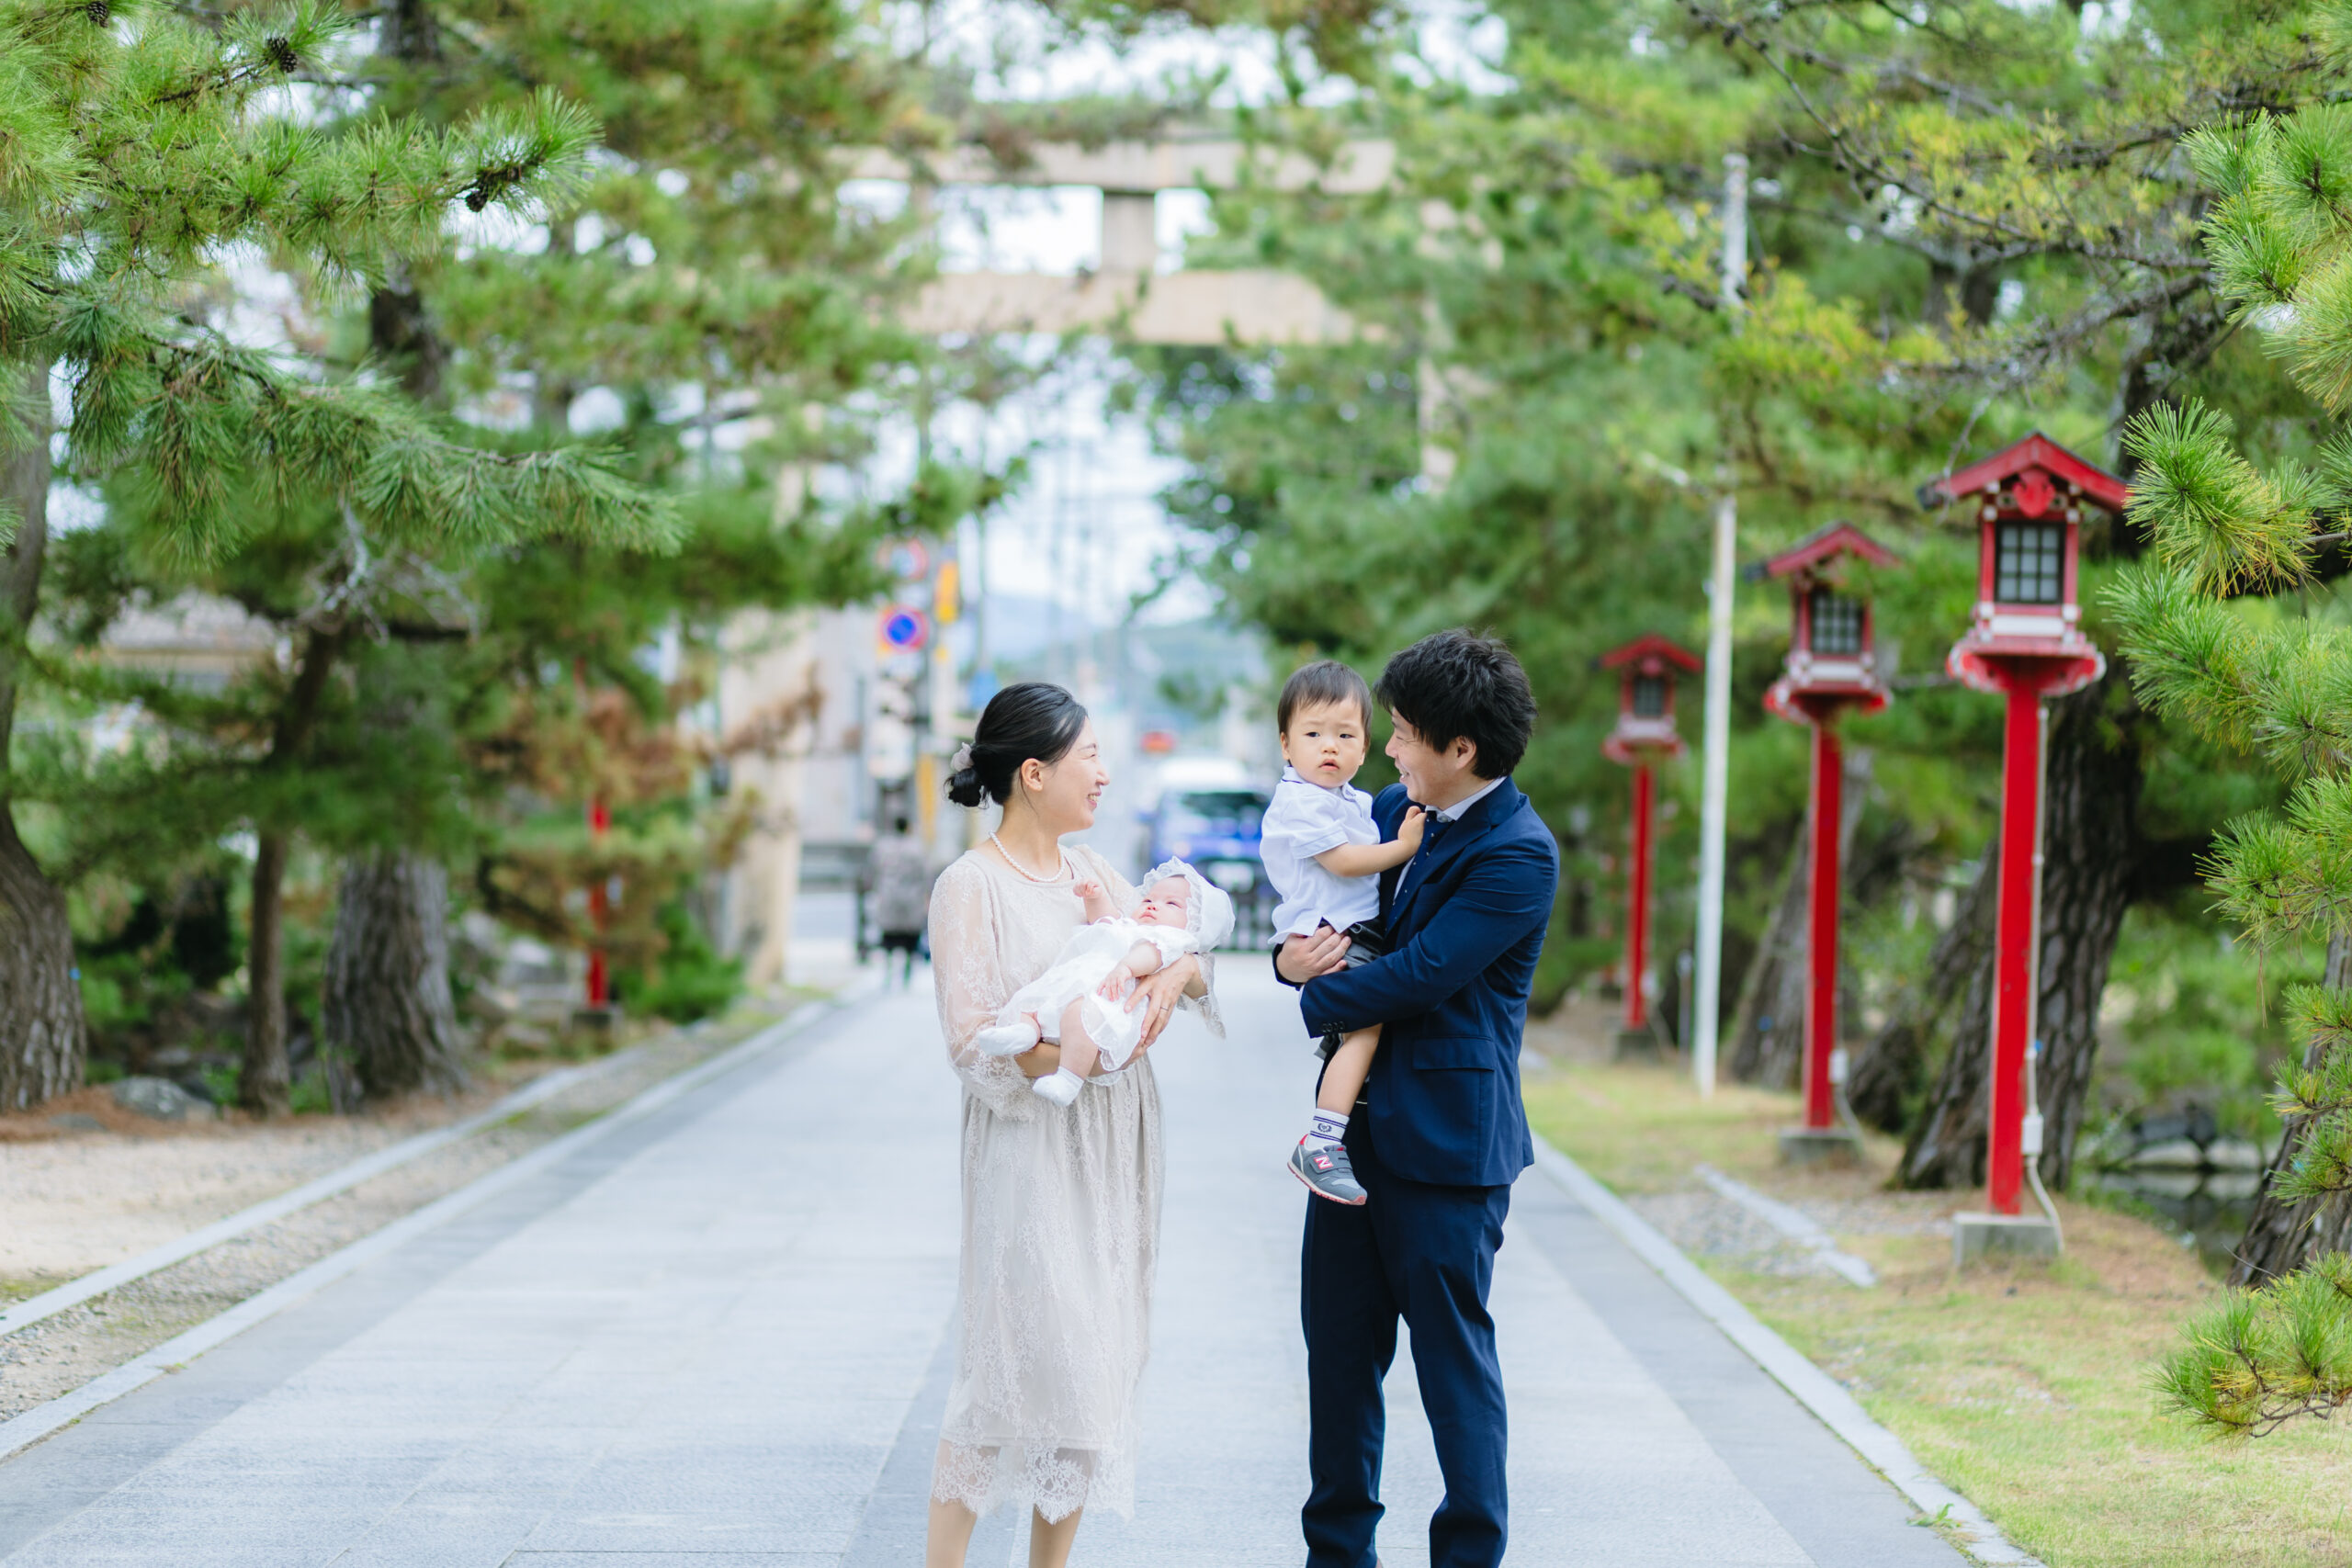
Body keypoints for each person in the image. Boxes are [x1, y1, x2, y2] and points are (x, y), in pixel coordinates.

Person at [1274, 629, 1556, 1568]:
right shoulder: (1394, 810)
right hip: (1349, 1143)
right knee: (1340, 1363)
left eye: (1402, 733)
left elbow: (1422, 976)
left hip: (1446, 1151)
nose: (1386, 750)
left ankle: (1467, 1557)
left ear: (1461, 749)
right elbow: (1325, 908)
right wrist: (1286, 960)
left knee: (1452, 1370)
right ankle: (1337, 1555)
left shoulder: (1519, 855)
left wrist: (1316, 992)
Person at [923, 682, 1217, 1568]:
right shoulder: (969, 886)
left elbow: (1186, 957)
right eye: (1088, 754)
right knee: (1002, 1375)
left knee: (1095, 1373)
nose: (1104, 771)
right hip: (1028, 1149)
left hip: (1114, 1151)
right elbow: (974, 1046)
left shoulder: (1097, 876)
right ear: (1033, 772)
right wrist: (1086, 1055)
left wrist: (1168, 980)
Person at [1259, 660, 1425, 1204]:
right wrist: (1403, 847)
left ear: (1364, 747)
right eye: (1312, 734)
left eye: (1344, 735)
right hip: (1328, 933)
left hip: (1352, 933)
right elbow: (1344, 861)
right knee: (1367, 1027)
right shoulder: (1299, 802)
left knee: (1357, 1035)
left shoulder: (1356, 800)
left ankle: (1331, 1128)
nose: (1328, 746)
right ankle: (1323, 1139)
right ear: (1286, 745)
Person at [973, 860, 1234, 1104]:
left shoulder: (1170, 940)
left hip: (1104, 998)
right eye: (1149, 898)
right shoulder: (1129, 926)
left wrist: (1127, 967)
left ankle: (1068, 1078)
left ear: (1195, 927)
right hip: (1066, 985)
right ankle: (1024, 1031)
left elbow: (1151, 954)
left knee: (1079, 1013)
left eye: (1172, 904)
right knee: (1031, 1000)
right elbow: (1105, 920)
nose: (1153, 905)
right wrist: (1095, 898)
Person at [871, 815, 933, 987]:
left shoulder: (882, 847)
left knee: (889, 937)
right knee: (909, 939)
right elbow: (925, 875)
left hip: (888, 897)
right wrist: (927, 896)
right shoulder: (918, 849)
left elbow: (874, 871)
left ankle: (888, 970)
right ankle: (907, 973)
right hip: (911, 899)